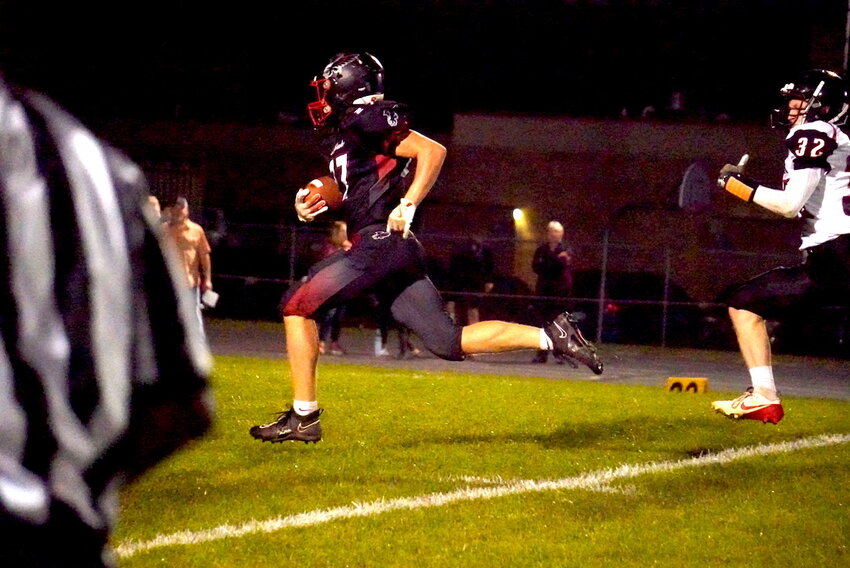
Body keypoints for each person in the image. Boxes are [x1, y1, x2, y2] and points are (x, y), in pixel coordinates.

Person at [249, 52, 603, 445]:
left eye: (330, 87)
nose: (323, 96)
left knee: (296, 305)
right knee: (446, 342)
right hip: (392, 247)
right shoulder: (350, 131)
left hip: (379, 243)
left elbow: (432, 151)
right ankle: (551, 336)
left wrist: (410, 202)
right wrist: (310, 202)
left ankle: (304, 417)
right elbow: (357, 182)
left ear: (351, 85)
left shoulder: (368, 117)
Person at [0, 78, 213, 566]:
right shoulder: (79, 158)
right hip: (49, 535)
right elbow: (180, 405)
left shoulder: (68, 158)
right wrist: (67, 484)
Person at [712, 68, 850, 424]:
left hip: (837, 254)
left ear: (823, 105)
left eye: (800, 102)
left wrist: (741, 187)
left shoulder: (814, 132)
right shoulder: (837, 136)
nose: (791, 109)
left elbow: (790, 204)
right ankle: (763, 397)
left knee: (744, 303)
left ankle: (764, 396)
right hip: (835, 255)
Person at [163, 196, 214, 336]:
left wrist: (208, 279)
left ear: (187, 210)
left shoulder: (196, 230)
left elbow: (204, 255)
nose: (177, 211)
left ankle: (197, 346)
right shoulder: (163, 230)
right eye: (175, 208)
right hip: (168, 281)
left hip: (189, 281)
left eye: (180, 208)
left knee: (193, 316)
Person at [531, 220, 575, 364]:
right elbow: (536, 267)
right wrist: (552, 262)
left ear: (561, 234)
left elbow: (561, 265)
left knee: (559, 322)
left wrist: (548, 263)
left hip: (560, 291)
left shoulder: (566, 248)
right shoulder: (541, 249)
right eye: (551, 231)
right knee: (543, 322)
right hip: (544, 290)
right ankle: (541, 353)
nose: (553, 234)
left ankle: (560, 353)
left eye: (556, 231)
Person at [317, 220, 352, 356]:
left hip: (344, 285)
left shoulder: (349, 246)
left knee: (340, 316)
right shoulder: (330, 247)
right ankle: (321, 342)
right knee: (329, 315)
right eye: (344, 230)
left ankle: (334, 343)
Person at [445, 237, 494, 325]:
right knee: (452, 303)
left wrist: (488, 281)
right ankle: (450, 326)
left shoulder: (484, 251)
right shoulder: (459, 249)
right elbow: (453, 266)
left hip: (475, 281)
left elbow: (489, 266)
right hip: (459, 279)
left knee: (473, 307)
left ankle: (473, 329)